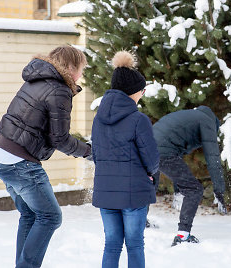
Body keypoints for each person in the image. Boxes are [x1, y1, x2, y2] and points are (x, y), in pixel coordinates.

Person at [0, 45, 92, 267]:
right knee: (50, 217)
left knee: (30, 215)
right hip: (19, 162)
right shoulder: (59, 89)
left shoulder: (36, 80)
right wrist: (89, 152)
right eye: (82, 68)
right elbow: (60, 139)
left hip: (0, 156)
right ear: (71, 67)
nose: (82, 74)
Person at [91, 51, 159, 268]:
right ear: (133, 92)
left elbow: (96, 155)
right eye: (142, 91)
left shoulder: (98, 120)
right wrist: (151, 174)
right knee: (135, 244)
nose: (143, 94)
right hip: (133, 193)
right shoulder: (138, 119)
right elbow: (151, 158)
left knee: (111, 245)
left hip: (105, 191)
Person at [151, 106, 227, 246]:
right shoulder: (207, 122)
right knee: (194, 190)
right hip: (162, 151)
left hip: (147, 147)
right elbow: (213, 158)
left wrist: (178, 189)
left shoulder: (190, 117)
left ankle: (138, 222)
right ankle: (183, 235)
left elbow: (175, 152)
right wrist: (219, 190)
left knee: (150, 184)